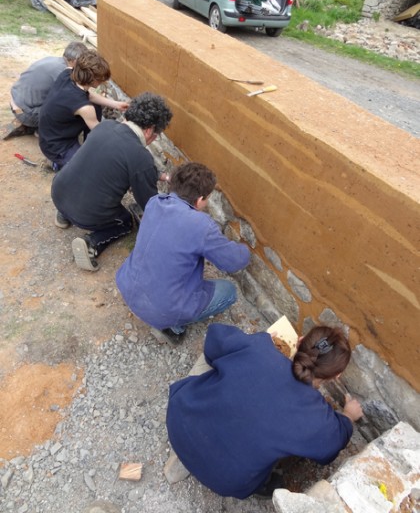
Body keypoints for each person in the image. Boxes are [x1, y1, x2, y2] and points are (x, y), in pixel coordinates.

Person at [166, 323, 363, 499]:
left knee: (219, 371)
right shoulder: (318, 419)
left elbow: (213, 341)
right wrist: (348, 416)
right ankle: (264, 486)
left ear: (300, 340)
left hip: (179, 420)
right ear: (337, 376)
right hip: (224, 479)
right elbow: (330, 448)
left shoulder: (259, 347)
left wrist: (259, 339)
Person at [116, 162, 251, 345]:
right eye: (207, 199)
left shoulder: (155, 202)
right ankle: (173, 327)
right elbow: (234, 262)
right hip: (162, 308)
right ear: (200, 199)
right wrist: (245, 249)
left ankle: (165, 316)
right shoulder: (201, 225)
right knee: (229, 291)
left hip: (127, 285)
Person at [51, 92, 173, 272]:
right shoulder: (140, 157)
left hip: (59, 193)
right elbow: (149, 204)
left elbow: (123, 161)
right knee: (125, 222)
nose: (154, 139)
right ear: (149, 130)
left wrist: (160, 175)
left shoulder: (104, 126)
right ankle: (92, 243)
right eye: (157, 134)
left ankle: (64, 214)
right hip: (87, 214)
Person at [39, 49, 128, 171]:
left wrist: (116, 104)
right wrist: (124, 126)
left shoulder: (68, 73)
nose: (104, 81)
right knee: (87, 168)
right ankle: (57, 163)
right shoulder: (85, 108)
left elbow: (88, 95)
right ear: (93, 80)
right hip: (57, 146)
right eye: (101, 79)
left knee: (95, 106)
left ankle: (87, 147)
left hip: (48, 134)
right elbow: (101, 131)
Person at [2, 41, 89, 140]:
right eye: (82, 61)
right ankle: (42, 132)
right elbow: (74, 98)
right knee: (69, 107)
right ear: (74, 61)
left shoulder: (50, 59)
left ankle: (33, 123)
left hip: (15, 101)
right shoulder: (63, 72)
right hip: (25, 113)